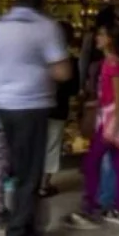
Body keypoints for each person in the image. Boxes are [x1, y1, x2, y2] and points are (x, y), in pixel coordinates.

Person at [0, 0, 72, 236]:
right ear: (41, 1)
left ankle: (25, 228)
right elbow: (63, 72)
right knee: (29, 175)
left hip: (3, 106)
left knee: (18, 171)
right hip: (31, 106)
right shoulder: (46, 27)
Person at [66, 18, 119, 228]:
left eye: (101, 35)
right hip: (114, 118)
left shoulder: (112, 64)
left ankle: (90, 208)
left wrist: (111, 126)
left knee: (91, 163)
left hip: (111, 120)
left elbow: (118, 100)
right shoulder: (115, 62)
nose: (97, 38)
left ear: (110, 39)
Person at [41, 21, 80, 198]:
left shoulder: (41, 56)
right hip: (58, 108)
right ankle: (44, 184)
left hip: (38, 107)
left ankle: (34, 182)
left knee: (38, 145)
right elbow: (73, 88)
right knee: (52, 146)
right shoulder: (70, 60)